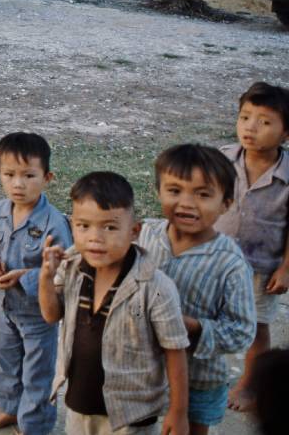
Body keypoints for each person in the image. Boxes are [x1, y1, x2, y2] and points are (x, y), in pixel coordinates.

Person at [39, 172, 190, 435]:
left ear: (134, 231)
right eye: (84, 226)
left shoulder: (155, 287)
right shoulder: (72, 266)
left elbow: (175, 351)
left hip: (131, 415)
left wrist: (178, 412)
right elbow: (52, 316)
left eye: (109, 227)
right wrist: (46, 278)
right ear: (72, 225)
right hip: (79, 404)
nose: (95, 237)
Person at [138, 144, 256, 435]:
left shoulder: (230, 262)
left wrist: (194, 327)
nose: (187, 203)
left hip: (198, 378)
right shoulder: (143, 235)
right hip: (143, 370)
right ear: (158, 192)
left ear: (226, 203)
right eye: (175, 191)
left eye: (203, 194)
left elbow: (242, 331)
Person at [0, 132, 72, 434]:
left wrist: (26, 277)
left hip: (39, 315)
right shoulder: (1, 211)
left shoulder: (54, 224)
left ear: (47, 177)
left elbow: (64, 272)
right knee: (3, 362)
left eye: (29, 175)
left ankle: (35, 425)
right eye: (10, 175)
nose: (18, 184)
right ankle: (12, 410)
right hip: (5, 309)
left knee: (37, 373)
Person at [215, 82, 289, 412]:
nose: (251, 127)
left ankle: (248, 386)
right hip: (214, 259)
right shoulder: (219, 159)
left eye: (265, 121)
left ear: (286, 133)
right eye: (245, 117)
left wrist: (286, 267)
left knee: (256, 329)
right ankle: (198, 375)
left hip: (261, 266)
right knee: (201, 316)